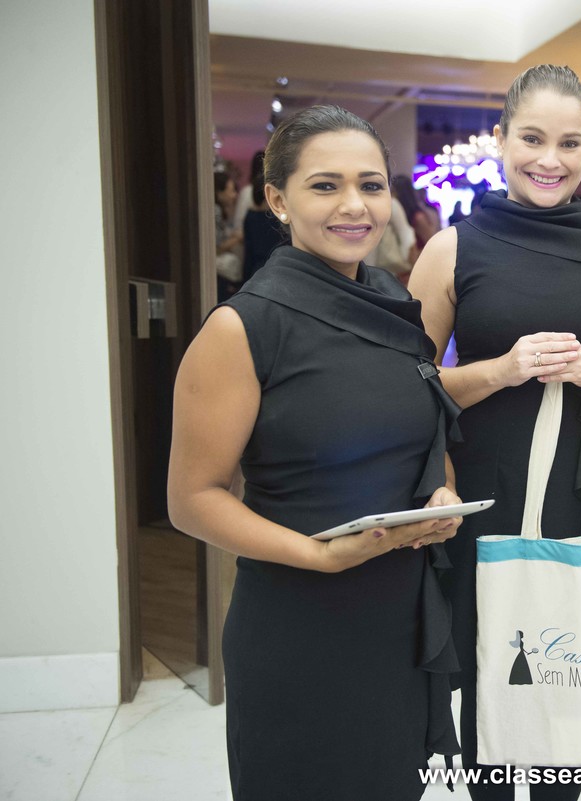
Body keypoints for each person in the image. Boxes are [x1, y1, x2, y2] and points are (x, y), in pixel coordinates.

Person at [168, 105, 463, 801]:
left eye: (371, 184)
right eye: (325, 186)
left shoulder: (395, 304)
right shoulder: (244, 326)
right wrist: (319, 554)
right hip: (300, 617)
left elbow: (426, 430)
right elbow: (192, 499)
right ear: (278, 199)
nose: (355, 206)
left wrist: (442, 491)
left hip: (399, 613)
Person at [408, 64, 581, 801]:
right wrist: (500, 370)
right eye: (531, 138)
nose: (549, 160)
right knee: (495, 673)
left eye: (568, 142)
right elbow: (410, 382)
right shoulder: (454, 248)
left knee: (570, 671)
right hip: (482, 490)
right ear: (500, 139)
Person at [214, 171, 244, 301]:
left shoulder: (219, 210)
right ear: (219, 193)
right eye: (231, 191)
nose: (234, 195)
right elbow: (217, 247)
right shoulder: (216, 211)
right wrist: (238, 237)